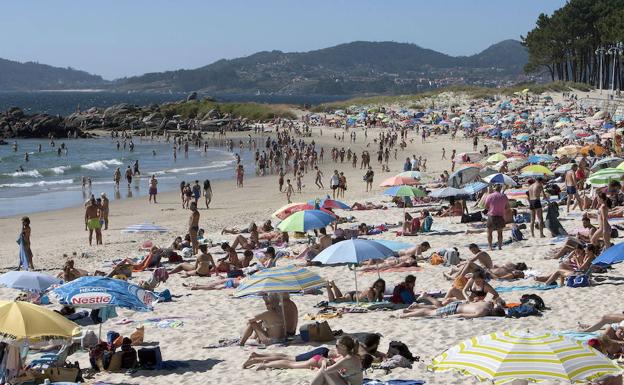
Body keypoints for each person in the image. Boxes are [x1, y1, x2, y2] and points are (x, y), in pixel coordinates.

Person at [397, 298, 505, 319]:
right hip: (454, 309)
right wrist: (449, 317)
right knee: (429, 313)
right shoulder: (483, 312)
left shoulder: (488, 304)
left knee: (436, 308)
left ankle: (411, 310)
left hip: (460, 303)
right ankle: (404, 315)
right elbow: (462, 315)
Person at [484, 185, 509, 250]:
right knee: (500, 233)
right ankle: (500, 247)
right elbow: (507, 207)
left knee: (489, 232)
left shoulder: (490, 196)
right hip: (500, 216)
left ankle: (490, 247)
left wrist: (492, 207)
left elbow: (486, 206)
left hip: (492, 216)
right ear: (500, 188)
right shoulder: (504, 196)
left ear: (494, 188)